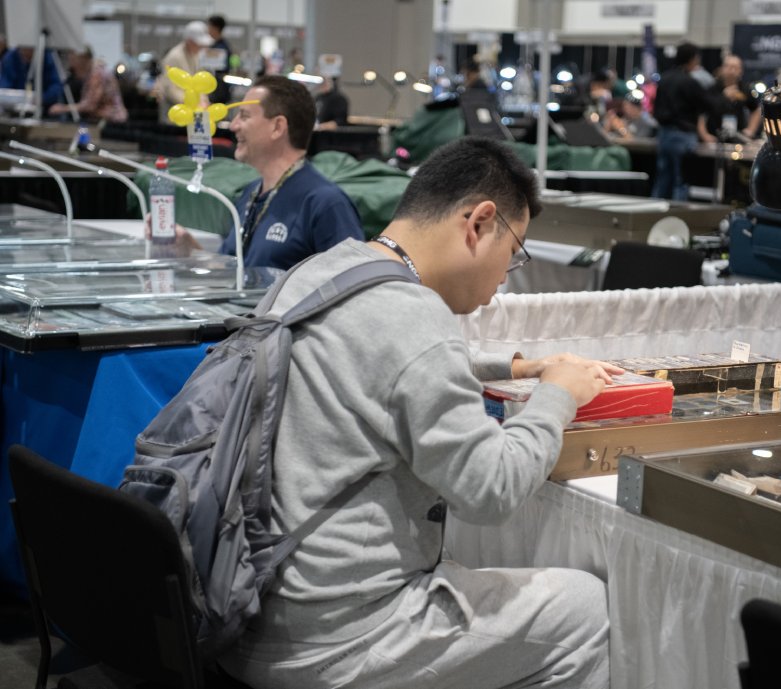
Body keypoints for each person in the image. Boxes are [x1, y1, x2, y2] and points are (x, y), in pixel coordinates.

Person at [217, 136, 614, 689]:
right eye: (515, 252)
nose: (504, 278)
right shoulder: (418, 319)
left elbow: (381, 360)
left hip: (241, 606)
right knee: (586, 609)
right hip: (337, 638)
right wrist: (558, 397)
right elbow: (490, 490)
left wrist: (516, 367)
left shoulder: (319, 270)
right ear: (478, 223)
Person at [161, 75, 365, 270]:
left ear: (278, 127)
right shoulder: (251, 194)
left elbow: (353, 287)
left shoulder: (325, 203)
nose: (233, 126)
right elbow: (234, 270)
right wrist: (189, 248)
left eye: (244, 116)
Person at [651, 42, 714, 200]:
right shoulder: (689, 82)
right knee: (682, 180)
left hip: (664, 134)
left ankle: (652, 215)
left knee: (663, 179)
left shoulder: (664, 79)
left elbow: (655, 108)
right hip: (683, 135)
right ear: (692, 59)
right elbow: (708, 104)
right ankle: (678, 217)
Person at [154, 20, 214, 123]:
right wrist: (194, 103)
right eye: (198, 44)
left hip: (192, 110)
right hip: (174, 110)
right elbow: (170, 89)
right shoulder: (174, 57)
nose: (201, 47)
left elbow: (198, 83)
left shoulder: (195, 55)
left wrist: (203, 100)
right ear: (189, 41)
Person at [48, 47, 128, 123]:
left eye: (73, 58)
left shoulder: (97, 74)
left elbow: (89, 106)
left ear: (83, 58)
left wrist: (62, 108)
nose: (70, 61)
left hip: (111, 121)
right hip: (106, 120)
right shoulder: (92, 72)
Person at [699, 54, 761, 143]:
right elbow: (701, 114)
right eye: (729, 67)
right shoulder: (712, 89)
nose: (732, 71)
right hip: (715, 137)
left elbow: (756, 110)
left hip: (738, 137)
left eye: (736, 68)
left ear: (741, 71)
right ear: (722, 69)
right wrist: (705, 135)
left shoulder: (745, 89)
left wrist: (750, 130)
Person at [0, 45, 63, 114]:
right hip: (14, 108)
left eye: (29, 51)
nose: (25, 55)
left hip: (44, 108)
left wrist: (41, 98)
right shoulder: (10, 57)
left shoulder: (48, 57)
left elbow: (56, 86)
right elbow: (5, 86)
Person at [206, 14, 233, 104]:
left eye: (209, 26)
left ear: (216, 28)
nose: (208, 29)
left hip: (218, 90)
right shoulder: (212, 45)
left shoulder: (221, 48)